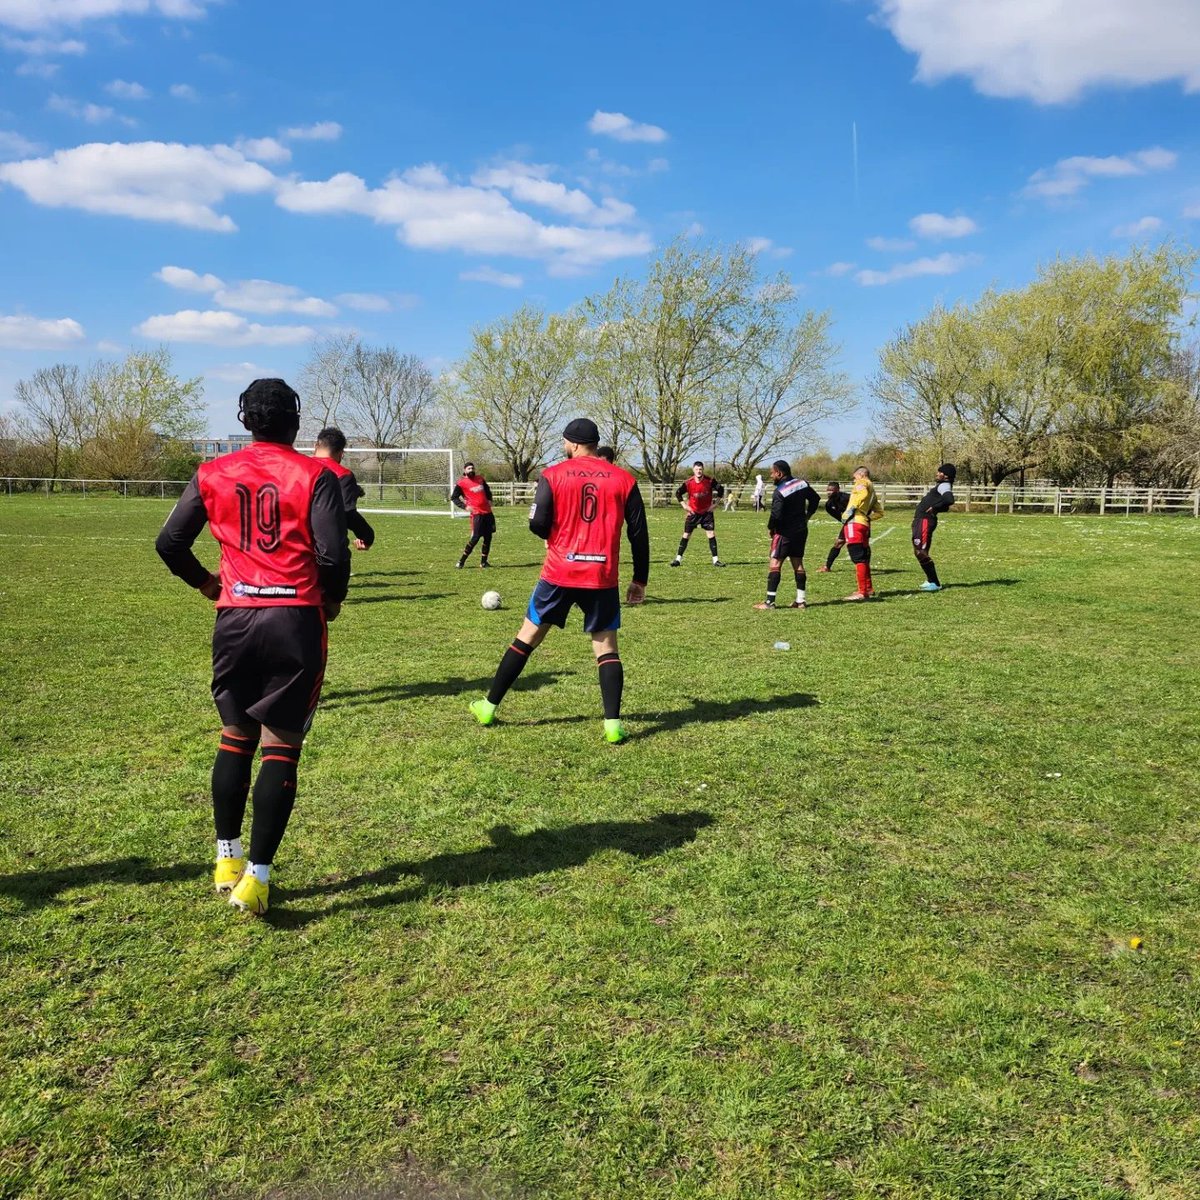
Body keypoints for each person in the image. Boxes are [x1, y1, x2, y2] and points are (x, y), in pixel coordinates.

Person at [155, 379, 349, 916]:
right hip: (294, 619)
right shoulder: (316, 475)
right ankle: (258, 879)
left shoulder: (212, 471)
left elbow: (169, 542)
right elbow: (333, 556)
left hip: (235, 618)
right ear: (295, 420)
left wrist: (207, 585)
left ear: (246, 421)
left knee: (234, 737)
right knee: (281, 747)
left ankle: (227, 858)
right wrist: (331, 601)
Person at [469, 418, 649, 744]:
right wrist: (640, 579)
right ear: (595, 443)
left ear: (571, 443)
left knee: (526, 638)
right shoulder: (625, 479)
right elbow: (639, 534)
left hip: (559, 572)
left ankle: (488, 707)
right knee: (606, 648)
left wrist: (553, 536)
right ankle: (612, 725)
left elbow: (538, 523)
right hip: (602, 575)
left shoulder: (552, 474)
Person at [753, 459, 820, 609]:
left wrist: (771, 528)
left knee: (775, 564)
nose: (771, 476)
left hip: (784, 533)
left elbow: (776, 515)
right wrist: (807, 515)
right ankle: (801, 601)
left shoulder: (780, 491)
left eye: (772, 472)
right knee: (798, 563)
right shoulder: (802, 483)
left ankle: (770, 602)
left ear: (779, 473)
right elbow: (815, 499)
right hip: (801, 531)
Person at [312, 427, 375, 552]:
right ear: (341, 453)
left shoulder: (297, 468)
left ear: (316, 446)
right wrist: (367, 536)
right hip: (328, 550)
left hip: (295, 548)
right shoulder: (343, 475)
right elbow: (347, 513)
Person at [840, 466, 885, 601]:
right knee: (864, 557)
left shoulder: (862, 482)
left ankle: (861, 592)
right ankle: (868, 588)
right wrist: (868, 517)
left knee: (857, 557)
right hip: (864, 523)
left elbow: (862, 494)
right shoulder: (873, 491)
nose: (854, 480)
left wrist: (852, 508)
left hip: (855, 522)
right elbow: (880, 512)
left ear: (860, 475)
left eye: (854, 477)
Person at [670, 461, 726, 568]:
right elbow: (678, 493)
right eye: (696, 469)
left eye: (700, 469)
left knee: (711, 534)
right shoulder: (688, 482)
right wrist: (684, 506)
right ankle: (677, 560)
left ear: (703, 470)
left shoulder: (710, 481)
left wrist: (715, 504)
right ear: (693, 470)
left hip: (706, 513)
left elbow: (721, 490)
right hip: (693, 513)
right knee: (686, 535)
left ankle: (716, 560)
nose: (699, 471)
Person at [912, 463, 957, 591]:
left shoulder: (944, 485)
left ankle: (935, 583)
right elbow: (946, 507)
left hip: (925, 521)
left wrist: (935, 508)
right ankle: (930, 580)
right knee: (920, 551)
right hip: (921, 521)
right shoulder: (941, 485)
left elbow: (949, 500)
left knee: (921, 552)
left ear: (946, 475)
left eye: (939, 472)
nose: (937, 474)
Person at [452, 462, 496, 569]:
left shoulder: (480, 479)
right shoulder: (461, 483)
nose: (471, 470)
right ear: (465, 470)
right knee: (475, 538)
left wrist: (490, 499)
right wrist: (465, 507)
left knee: (488, 537)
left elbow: (487, 490)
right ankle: (461, 561)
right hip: (477, 514)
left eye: (472, 468)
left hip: (488, 512)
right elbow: (454, 497)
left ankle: (484, 562)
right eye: (469, 468)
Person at [817, 481, 851, 572]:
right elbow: (840, 518)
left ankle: (863, 567)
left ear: (838, 490)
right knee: (838, 543)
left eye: (831, 490)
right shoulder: (828, 505)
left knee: (859, 545)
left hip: (858, 522)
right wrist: (846, 522)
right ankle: (827, 567)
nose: (829, 492)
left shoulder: (847, 497)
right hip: (848, 524)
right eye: (828, 490)